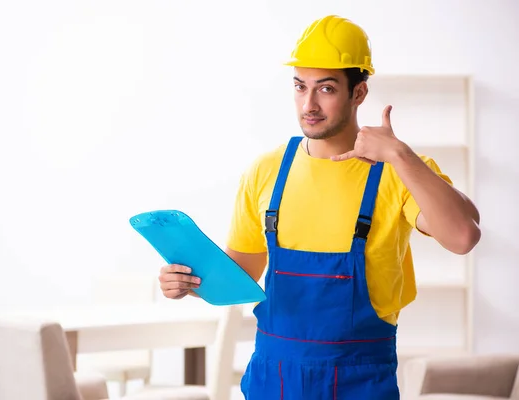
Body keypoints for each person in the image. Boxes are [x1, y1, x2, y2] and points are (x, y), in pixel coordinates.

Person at [157, 14, 481, 399]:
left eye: (325, 89)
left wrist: (399, 154)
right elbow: (241, 274)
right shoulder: (267, 171)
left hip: (359, 380)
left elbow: (463, 236)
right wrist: (188, 283)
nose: (308, 104)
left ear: (358, 93)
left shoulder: (398, 172)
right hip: (273, 379)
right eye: (300, 87)